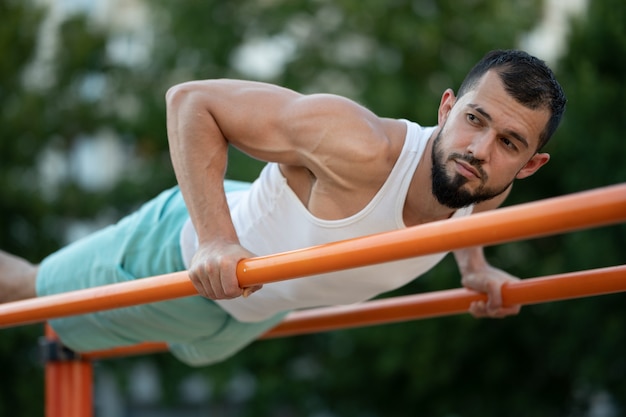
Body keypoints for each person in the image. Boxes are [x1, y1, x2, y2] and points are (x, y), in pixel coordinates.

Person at [0, 49, 566, 366]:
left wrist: (474, 267)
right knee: (32, 296)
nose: (480, 150)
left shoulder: (486, 183)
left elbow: (469, 215)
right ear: (447, 108)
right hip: (180, 261)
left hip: (252, 310)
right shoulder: (360, 145)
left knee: (71, 334)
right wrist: (217, 239)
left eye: (509, 144)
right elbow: (190, 101)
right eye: (474, 119)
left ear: (528, 165)